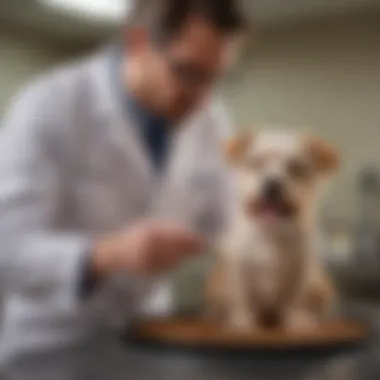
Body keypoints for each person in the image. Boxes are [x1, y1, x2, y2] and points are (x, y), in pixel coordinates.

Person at [0, 0, 247, 378]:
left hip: (150, 332)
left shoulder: (211, 120)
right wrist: (107, 255)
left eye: (215, 78)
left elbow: (227, 222)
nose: (202, 97)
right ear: (137, 43)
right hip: (53, 344)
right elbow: (8, 248)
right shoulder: (49, 106)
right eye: (187, 72)